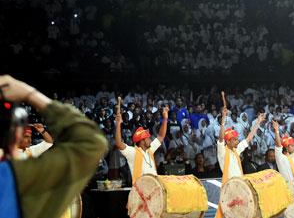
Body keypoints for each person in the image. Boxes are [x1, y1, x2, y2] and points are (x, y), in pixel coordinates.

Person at [0, 75, 107, 218]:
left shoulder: (28, 157)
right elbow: (92, 142)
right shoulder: (26, 176)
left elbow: (49, 143)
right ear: (17, 133)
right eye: (26, 136)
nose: (29, 139)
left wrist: (43, 131)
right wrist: (29, 94)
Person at [215, 91, 266, 218]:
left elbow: (248, 138)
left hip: (240, 187)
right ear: (228, 141)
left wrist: (258, 122)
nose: (237, 141)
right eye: (235, 139)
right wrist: (223, 121)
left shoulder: (236, 152)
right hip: (230, 188)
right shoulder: (222, 152)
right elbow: (221, 139)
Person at [115, 97, 168, 184]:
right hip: (140, 191)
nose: (150, 139)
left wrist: (165, 119)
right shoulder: (133, 152)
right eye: (148, 138)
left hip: (153, 189)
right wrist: (118, 125)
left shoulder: (150, 150)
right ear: (142, 140)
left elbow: (161, 136)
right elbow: (119, 143)